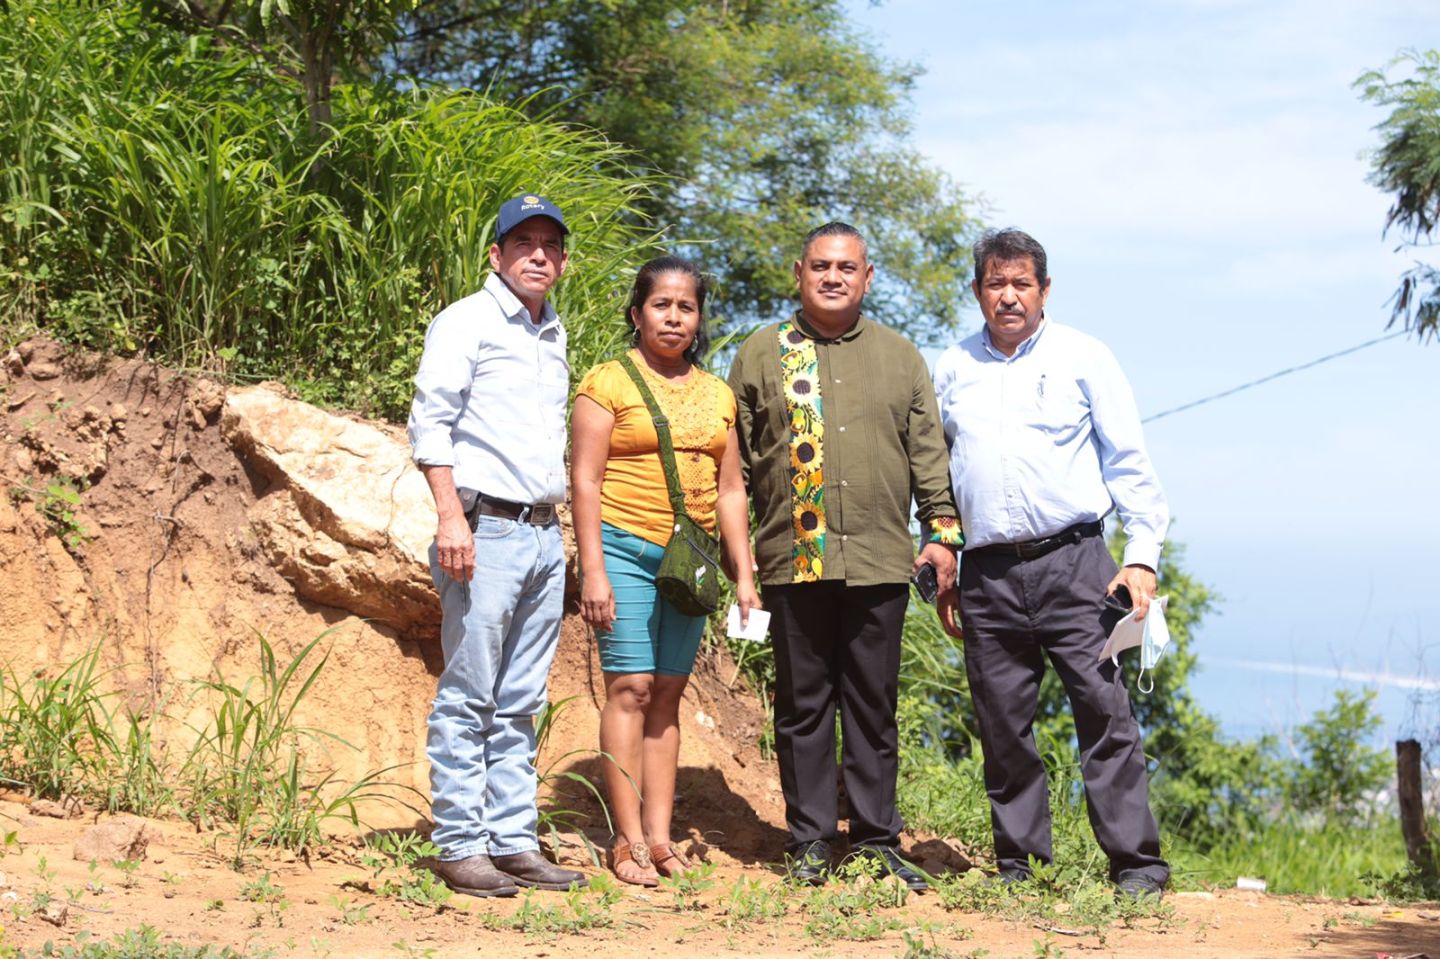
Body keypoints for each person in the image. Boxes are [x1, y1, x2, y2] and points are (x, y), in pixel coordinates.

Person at [932, 227, 1171, 900]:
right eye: (995, 283)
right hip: (988, 576)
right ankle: (1022, 867)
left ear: (1044, 289)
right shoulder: (950, 368)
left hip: (1077, 565)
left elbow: (1129, 462)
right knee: (1003, 723)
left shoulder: (1084, 357)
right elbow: (937, 477)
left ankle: (1136, 868)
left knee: (1105, 714)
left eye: (1021, 283)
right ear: (978, 289)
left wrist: (1143, 559)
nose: (1008, 295)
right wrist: (946, 552)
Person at [727, 222, 961, 892]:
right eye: (822, 266)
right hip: (792, 560)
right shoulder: (762, 353)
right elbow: (734, 470)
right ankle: (809, 841)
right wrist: (739, 564)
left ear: (868, 276)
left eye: (847, 267)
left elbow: (929, 458)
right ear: (798, 271)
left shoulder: (900, 356)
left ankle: (877, 842)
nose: (834, 277)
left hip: (883, 561)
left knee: (871, 705)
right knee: (803, 707)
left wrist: (943, 536)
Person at [407, 194, 587, 898]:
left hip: (544, 534)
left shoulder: (553, 331)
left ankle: (512, 838)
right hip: (485, 531)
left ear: (563, 260)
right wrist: (451, 518)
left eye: (550, 244)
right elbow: (431, 423)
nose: (538, 254)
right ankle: (458, 841)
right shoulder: (465, 322)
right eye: (524, 242)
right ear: (497, 254)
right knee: (469, 691)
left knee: (521, 697)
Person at [571, 255, 761, 886]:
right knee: (632, 688)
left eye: (686, 307)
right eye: (661, 305)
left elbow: (732, 490)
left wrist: (745, 577)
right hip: (623, 548)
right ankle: (623, 842)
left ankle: (659, 838)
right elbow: (585, 481)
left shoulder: (716, 395)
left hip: (692, 561)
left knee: (669, 695)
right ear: (637, 313)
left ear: (699, 319)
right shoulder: (607, 384)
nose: (674, 316)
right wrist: (593, 571)